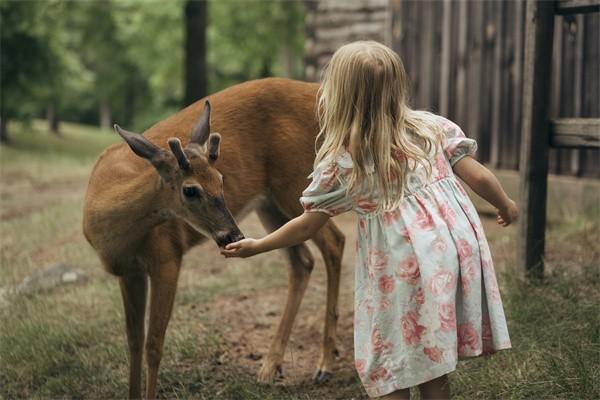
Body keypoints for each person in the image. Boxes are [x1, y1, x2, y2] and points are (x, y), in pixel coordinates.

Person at [220, 40, 517, 400]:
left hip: (401, 271)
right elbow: (480, 178)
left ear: (338, 98)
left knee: (392, 359)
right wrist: (505, 205)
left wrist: (259, 245)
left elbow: (308, 223)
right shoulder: (430, 128)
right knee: (432, 362)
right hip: (451, 256)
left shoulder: (345, 162)